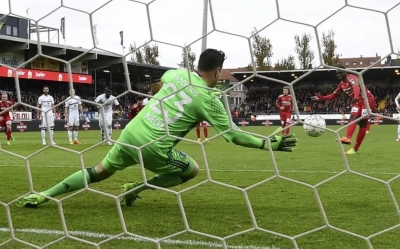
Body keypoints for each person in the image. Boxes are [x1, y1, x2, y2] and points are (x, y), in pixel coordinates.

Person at [16, 49, 298, 208]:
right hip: (154, 146)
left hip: (130, 134)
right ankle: (135, 188)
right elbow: (233, 135)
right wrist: (268, 144)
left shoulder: (175, 74)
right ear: (216, 71)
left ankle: (44, 195)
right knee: (192, 171)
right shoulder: (209, 100)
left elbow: (163, 79)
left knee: (98, 172)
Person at [311, 66, 376, 154]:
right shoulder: (342, 84)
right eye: (337, 73)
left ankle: (355, 149)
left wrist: (356, 97)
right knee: (352, 117)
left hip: (367, 101)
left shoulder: (352, 77)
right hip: (357, 101)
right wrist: (321, 98)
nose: (338, 75)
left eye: (340, 72)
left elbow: (356, 87)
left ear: (345, 72)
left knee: (362, 123)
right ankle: (348, 137)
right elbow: (333, 95)